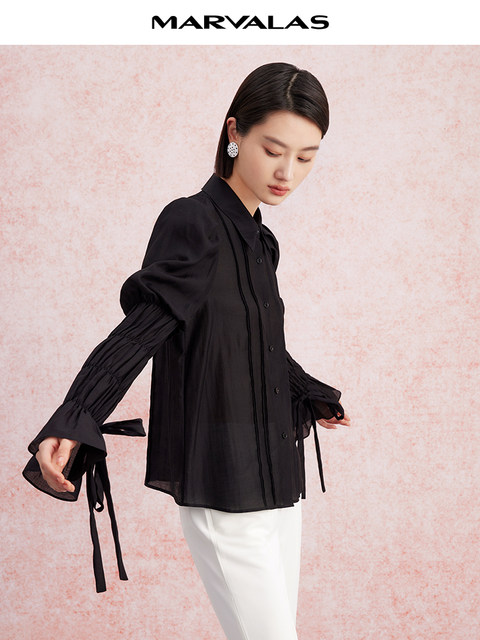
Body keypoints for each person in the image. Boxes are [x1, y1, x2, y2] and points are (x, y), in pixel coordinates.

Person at [23, 61, 351, 640]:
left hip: (278, 476)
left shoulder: (262, 241)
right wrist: (76, 417)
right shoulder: (192, 221)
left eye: (307, 157)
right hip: (224, 480)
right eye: (273, 150)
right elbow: (140, 332)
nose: (288, 172)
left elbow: (253, 344)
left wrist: (307, 392)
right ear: (234, 132)